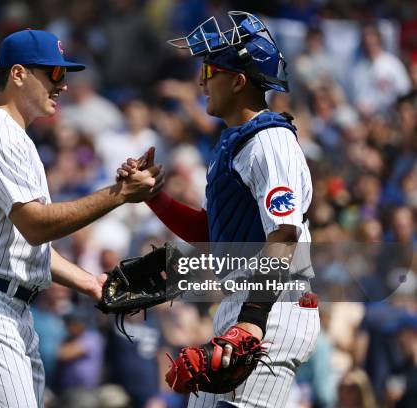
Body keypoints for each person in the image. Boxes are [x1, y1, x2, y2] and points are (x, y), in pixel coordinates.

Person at [0, 29, 163, 408]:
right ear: (18, 74)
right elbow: (36, 225)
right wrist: (119, 195)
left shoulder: (16, 137)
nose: (64, 86)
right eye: (54, 74)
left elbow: (24, 244)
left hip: (4, 302)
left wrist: (90, 283)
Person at [118, 12, 319, 407]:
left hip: (271, 308)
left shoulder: (270, 141)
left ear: (239, 80)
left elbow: (284, 234)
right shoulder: (238, 142)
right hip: (247, 303)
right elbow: (214, 233)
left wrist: (253, 320)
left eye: (210, 69)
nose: (201, 81)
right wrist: (154, 198)